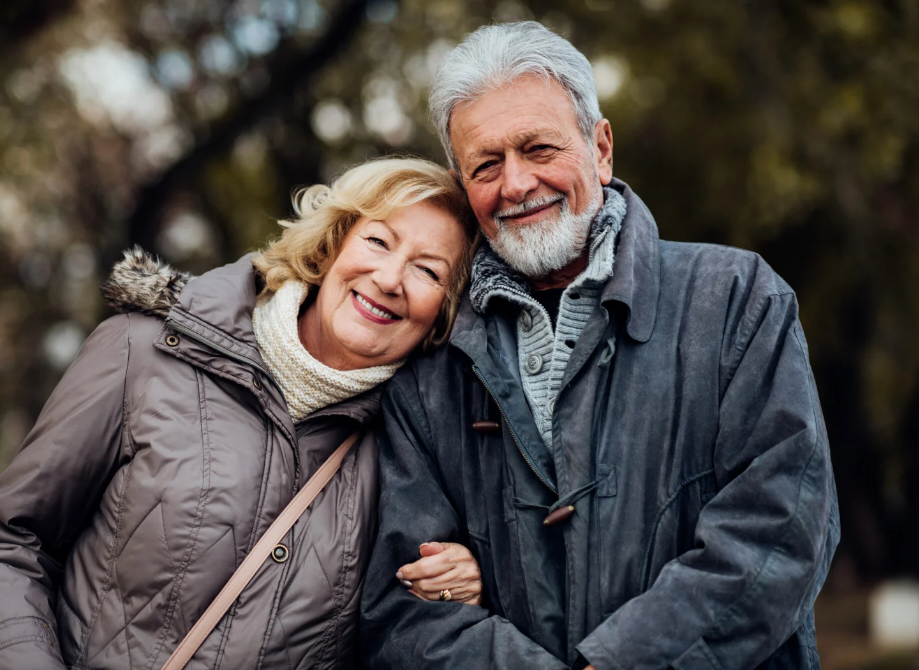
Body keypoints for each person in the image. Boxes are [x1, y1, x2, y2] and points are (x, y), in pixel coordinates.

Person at [360, 22, 840, 670]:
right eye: (486, 165)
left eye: (538, 148)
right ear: (462, 185)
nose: (515, 184)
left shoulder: (735, 298)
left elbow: (782, 530)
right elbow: (403, 609)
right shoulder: (429, 364)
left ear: (600, 147)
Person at [0, 157, 485, 669]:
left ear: (445, 312)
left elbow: (397, 634)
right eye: (378, 241)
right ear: (332, 245)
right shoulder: (144, 351)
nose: (389, 278)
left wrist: (459, 588)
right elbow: (14, 541)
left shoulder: (416, 452)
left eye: (428, 271)